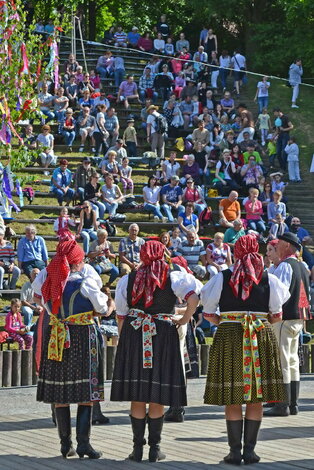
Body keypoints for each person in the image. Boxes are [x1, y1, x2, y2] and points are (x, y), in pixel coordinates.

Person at [201, 235, 290, 465]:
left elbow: (208, 312)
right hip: (259, 334)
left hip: (230, 334)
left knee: (233, 396)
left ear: (236, 251)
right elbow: (278, 315)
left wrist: (228, 321)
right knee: (255, 397)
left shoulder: (223, 276)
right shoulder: (269, 278)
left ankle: (234, 451)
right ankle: (249, 451)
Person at [111, 240, 200, 462]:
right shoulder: (173, 276)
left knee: (138, 393)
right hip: (162, 332)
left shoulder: (128, 279)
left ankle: (137, 449)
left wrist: (125, 342)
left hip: (135, 331)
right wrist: (186, 318)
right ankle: (154, 449)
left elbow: (121, 313)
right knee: (157, 392)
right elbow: (195, 297)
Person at [36, 239, 108, 459]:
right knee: (86, 390)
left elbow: (38, 299)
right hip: (82, 335)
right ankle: (83, 444)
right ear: (77, 262)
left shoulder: (48, 278)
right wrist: (108, 305)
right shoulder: (85, 281)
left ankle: (65, 445)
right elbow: (103, 308)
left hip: (57, 335)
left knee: (61, 392)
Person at [264, 232, 311, 417]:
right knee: (291, 361)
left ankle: (282, 405)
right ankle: (293, 404)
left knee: (283, 360)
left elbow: (279, 294)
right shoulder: (301, 265)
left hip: (285, 318)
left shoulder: (285, 266)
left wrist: (271, 313)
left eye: (281, 244)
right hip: (298, 318)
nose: (279, 247)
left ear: (286, 246)